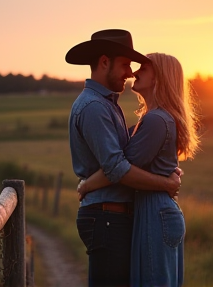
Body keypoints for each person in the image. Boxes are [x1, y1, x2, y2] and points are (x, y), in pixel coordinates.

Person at [65, 29, 182, 287]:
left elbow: (131, 155)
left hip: (114, 217)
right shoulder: (95, 106)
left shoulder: (109, 104)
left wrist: (165, 169)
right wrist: (165, 183)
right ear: (104, 62)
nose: (130, 72)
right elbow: (117, 167)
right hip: (107, 217)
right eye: (125, 64)